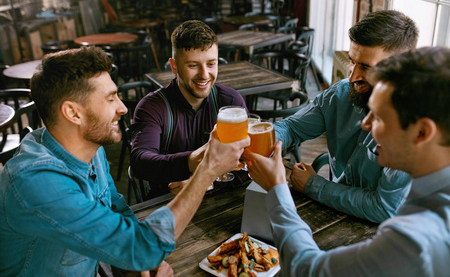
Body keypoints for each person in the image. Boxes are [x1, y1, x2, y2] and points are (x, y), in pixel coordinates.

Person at [0, 46, 250, 276]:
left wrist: (138, 263)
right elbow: (143, 247)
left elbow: (116, 208)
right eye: (110, 98)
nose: (122, 108)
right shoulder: (37, 181)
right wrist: (206, 170)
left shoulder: (90, 149)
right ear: (73, 113)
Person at [244, 46, 450, 276]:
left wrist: (277, 188)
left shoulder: (417, 239)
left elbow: (307, 270)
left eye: (380, 117)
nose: (365, 124)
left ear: (422, 132)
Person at [275, 10, 419, 223]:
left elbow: (384, 208)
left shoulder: (415, 125)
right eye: (352, 60)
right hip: (333, 214)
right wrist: (262, 138)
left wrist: (313, 185)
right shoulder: (340, 94)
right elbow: (292, 128)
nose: (352, 76)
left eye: (366, 67)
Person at [130, 20, 247, 198]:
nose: (204, 75)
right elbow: (140, 162)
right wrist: (190, 162)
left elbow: (245, 161)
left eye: (211, 64)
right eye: (193, 65)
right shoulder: (152, 106)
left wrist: (205, 182)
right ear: (174, 66)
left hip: (222, 201)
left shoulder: (230, 101)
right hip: (168, 204)